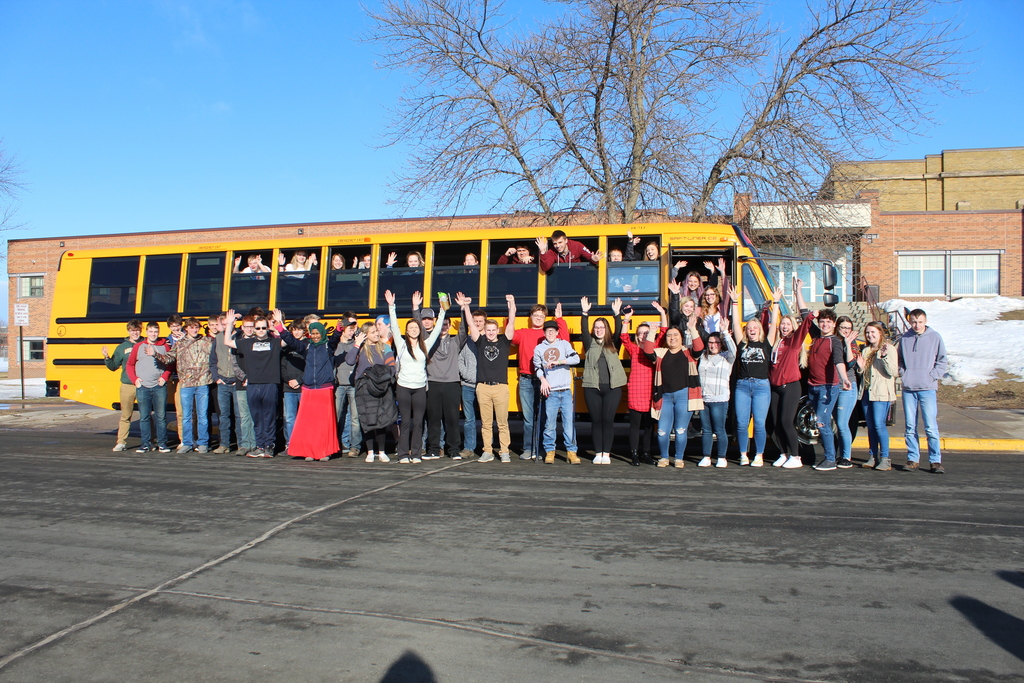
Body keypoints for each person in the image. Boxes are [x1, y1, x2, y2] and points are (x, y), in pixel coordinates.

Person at [388, 289, 447, 463]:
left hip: (420, 387)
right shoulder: (401, 343)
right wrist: (392, 306)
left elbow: (437, 328)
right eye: (410, 328)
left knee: (419, 422)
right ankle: (403, 454)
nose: (413, 329)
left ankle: (416, 454)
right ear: (406, 331)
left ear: (420, 329)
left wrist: (443, 309)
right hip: (404, 387)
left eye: (416, 327)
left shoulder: (426, 344)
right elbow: (393, 324)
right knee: (405, 422)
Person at [275, 312, 342, 462]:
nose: (316, 336)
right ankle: (310, 452)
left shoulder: (328, 346)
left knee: (324, 424)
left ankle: (325, 452)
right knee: (309, 424)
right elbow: (291, 340)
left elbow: (335, 339)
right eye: (313, 333)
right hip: (309, 389)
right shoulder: (306, 347)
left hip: (324, 389)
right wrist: (280, 327)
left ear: (323, 333)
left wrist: (338, 329)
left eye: (318, 333)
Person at [458, 293, 515, 462]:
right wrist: (466, 306)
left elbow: (511, 322)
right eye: (488, 330)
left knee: (503, 423)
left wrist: (511, 303)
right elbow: (470, 324)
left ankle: (504, 451)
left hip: (500, 387)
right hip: (482, 387)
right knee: (486, 423)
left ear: (498, 331)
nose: (490, 333)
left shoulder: (504, 341)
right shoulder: (480, 341)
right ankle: (488, 451)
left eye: (493, 330)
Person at [510, 298, 569, 460]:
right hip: (526, 379)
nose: (538, 318)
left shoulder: (548, 335)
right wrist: (511, 312)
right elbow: (509, 335)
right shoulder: (523, 333)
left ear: (545, 318)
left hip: (546, 379)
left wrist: (559, 319)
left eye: (541, 316)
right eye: (535, 315)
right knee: (528, 419)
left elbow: (565, 340)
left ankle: (541, 449)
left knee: (544, 417)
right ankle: (528, 448)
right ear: (530, 317)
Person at [644, 320, 705, 468]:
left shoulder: (688, 352)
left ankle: (679, 458)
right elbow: (647, 351)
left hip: (684, 396)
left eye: (676, 335)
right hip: (664, 397)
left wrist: (692, 329)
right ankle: (664, 457)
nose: (672, 338)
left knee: (680, 430)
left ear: (681, 337)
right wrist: (652, 332)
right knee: (662, 431)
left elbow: (699, 348)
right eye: (669, 335)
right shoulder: (661, 353)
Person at [768, 278, 815, 469]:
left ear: (793, 327)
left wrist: (809, 314)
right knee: (774, 422)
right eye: (783, 324)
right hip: (775, 386)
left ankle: (796, 456)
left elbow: (804, 327)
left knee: (786, 420)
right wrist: (774, 305)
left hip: (791, 386)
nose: (785, 326)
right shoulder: (777, 342)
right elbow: (770, 323)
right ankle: (783, 453)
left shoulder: (794, 342)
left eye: (788, 324)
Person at [223, 312, 282, 458]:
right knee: (257, 417)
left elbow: (289, 341)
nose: (261, 330)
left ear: (267, 328)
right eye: (258, 328)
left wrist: (280, 324)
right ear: (254, 330)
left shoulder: (274, 342)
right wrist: (230, 324)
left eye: (263, 328)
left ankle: (269, 446)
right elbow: (227, 342)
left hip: (270, 383)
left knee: (269, 416)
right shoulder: (247, 343)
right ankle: (260, 446)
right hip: (253, 384)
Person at [732, 286, 780, 467]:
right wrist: (735, 302)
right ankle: (744, 454)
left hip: (761, 387)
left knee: (759, 423)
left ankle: (759, 454)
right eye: (749, 328)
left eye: (755, 327)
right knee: (742, 423)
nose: (752, 329)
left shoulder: (766, 344)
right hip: (742, 386)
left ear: (759, 329)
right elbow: (736, 324)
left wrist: (776, 302)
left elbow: (773, 324)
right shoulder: (741, 344)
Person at [413, 291, 463, 461]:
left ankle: (454, 450)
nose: (443, 327)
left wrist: (463, 308)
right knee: (433, 419)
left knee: (453, 419)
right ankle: (433, 450)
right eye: (441, 324)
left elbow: (464, 329)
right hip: (433, 383)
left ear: (449, 327)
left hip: (452, 384)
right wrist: (415, 308)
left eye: (446, 325)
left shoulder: (455, 341)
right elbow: (419, 326)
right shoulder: (429, 339)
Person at [898, 308, 948, 474]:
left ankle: (935, 460)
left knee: (930, 427)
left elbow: (942, 360)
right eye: (913, 321)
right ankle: (913, 458)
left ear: (925, 321)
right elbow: (899, 361)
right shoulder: (905, 338)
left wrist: (932, 376)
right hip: (909, 389)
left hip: (927, 388)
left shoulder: (935, 337)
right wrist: (903, 374)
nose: (916, 325)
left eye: (920, 322)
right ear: (909, 321)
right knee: (910, 426)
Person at [157, 317, 215, 454]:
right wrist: (155, 354)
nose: (194, 330)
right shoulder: (180, 343)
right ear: (186, 329)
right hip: (186, 383)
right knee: (186, 415)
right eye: (191, 327)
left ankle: (203, 443)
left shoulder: (206, 341)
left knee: (202, 415)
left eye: (196, 327)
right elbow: (169, 358)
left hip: (202, 383)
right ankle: (187, 442)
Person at [580, 296, 626, 465]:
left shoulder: (614, 343)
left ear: (607, 329)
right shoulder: (589, 343)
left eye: (602, 327)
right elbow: (584, 330)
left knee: (608, 420)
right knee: (596, 420)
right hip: (592, 388)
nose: (599, 330)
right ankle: (598, 452)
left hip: (612, 388)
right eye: (596, 327)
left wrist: (616, 314)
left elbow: (620, 330)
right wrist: (585, 313)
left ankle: (606, 453)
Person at [620, 304, 668, 466]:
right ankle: (634, 454)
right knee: (634, 425)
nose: (642, 336)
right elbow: (623, 337)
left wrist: (662, 312)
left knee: (649, 426)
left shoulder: (655, 348)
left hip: (650, 390)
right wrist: (627, 319)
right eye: (640, 333)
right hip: (635, 390)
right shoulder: (633, 349)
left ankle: (646, 453)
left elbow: (663, 331)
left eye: (646, 333)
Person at [807, 308, 852, 471]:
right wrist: (797, 290)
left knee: (822, 422)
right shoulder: (816, 336)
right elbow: (806, 314)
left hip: (827, 387)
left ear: (834, 325)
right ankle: (831, 454)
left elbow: (838, 361)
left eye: (828, 322)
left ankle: (830, 459)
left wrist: (844, 378)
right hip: (813, 386)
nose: (824, 324)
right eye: (822, 322)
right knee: (821, 423)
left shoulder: (835, 341)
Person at [346, 321, 397, 463]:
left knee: (381, 419)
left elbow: (392, 367)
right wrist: (357, 343)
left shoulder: (385, 347)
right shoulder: (361, 348)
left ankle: (381, 451)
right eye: (373, 332)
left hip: (381, 387)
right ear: (366, 335)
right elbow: (349, 361)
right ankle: (370, 451)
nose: (376, 334)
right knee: (367, 418)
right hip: (364, 388)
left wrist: (381, 377)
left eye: (377, 331)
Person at [534, 320, 581, 464]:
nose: (550, 333)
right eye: (548, 331)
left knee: (568, 424)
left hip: (566, 391)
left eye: (553, 331)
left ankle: (571, 452)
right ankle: (550, 451)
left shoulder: (564, 344)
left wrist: (560, 362)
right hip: (551, 392)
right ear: (544, 333)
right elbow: (537, 368)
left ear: (557, 332)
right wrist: (543, 380)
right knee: (550, 424)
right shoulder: (539, 349)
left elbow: (576, 359)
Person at [125, 322, 172, 454]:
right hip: (143, 386)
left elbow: (170, 364)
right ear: (146, 332)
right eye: (151, 331)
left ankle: (162, 443)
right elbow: (130, 365)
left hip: (159, 386)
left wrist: (164, 377)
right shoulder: (138, 347)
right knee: (144, 416)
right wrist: (135, 380)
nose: (153, 334)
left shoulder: (164, 346)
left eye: (155, 332)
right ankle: (146, 443)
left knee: (161, 416)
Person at [858, 321, 898, 471]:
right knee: (870, 426)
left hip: (881, 393)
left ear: (880, 333)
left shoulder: (889, 349)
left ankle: (885, 458)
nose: (870, 335)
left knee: (878, 424)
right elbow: (863, 372)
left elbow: (893, 372)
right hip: (867, 392)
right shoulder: (866, 350)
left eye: (873, 332)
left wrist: (884, 356)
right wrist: (860, 369)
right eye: (868, 332)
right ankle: (873, 456)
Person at [697, 329, 736, 468]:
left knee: (719, 430)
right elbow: (690, 347)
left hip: (719, 398)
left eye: (717, 343)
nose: (713, 345)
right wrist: (690, 330)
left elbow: (734, 349)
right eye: (711, 342)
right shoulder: (703, 356)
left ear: (721, 344)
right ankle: (706, 456)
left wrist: (725, 333)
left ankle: (721, 457)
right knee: (706, 430)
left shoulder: (727, 357)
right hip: (704, 398)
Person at [102, 319, 142, 452]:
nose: (135, 333)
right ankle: (121, 442)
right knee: (126, 415)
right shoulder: (122, 347)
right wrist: (107, 358)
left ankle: (150, 441)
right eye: (132, 330)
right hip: (128, 384)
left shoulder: (145, 344)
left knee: (146, 414)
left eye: (137, 330)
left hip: (144, 384)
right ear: (128, 331)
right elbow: (113, 366)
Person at [210, 312, 245, 454]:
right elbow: (212, 360)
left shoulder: (241, 336)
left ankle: (241, 444)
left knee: (239, 414)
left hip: (237, 382)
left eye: (228, 323)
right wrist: (216, 377)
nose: (225, 326)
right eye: (223, 324)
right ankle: (224, 444)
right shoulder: (218, 338)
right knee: (224, 415)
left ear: (234, 323)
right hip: (223, 382)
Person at [458, 305, 488, 458]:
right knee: (469, 419)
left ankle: (487, 448)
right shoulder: (466, 341)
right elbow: (460, 360)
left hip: (484, 385)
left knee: (486, 419)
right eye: (475, 321)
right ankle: (469, 447)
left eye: (480, 321)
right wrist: (467, 375)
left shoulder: (488, 341)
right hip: (468, 385)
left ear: (485, 323)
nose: (477, 323)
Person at [833, 315, 861, 468]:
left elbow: (850, 363)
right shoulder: (833, 341)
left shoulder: (853, 344)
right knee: (837, 423)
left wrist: (848, 343)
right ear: (837, 327)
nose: (845, 330)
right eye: (843, 327)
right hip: (833, 386)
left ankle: (846, 457)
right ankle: (837, 454)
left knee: (843, 424)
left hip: (847, 387)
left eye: (848, 328)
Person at [334, 313, 362, 457]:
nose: (352, 331)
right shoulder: (336, 344)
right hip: (339, 384)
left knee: (355, 418)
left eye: (353, 329)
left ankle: (355, 446)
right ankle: (336, 443)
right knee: (337, 416)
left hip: (353, 385)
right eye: (349, 329)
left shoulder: (357, 344)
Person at [279, 320, 306, 452]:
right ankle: (290, 444)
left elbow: (309, 368)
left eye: (299, 329)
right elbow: (282, 366)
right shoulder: (286, 347)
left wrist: (299, 380)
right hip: (288, 387)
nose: (296, 332)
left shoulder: (306, 345)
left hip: (303, 387)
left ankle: (304, 443)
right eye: (294, 330)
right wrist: (289, 379)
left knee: (304, 418)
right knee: (289, 418)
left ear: (303, 331)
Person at [537, 230, 604, 272]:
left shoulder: (577, 245)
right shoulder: (552, 251)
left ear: (566, 240)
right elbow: (545, 267)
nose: (557, 246)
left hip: (578, 275)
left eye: (560, 242)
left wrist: (593, 259)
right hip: (562, 278)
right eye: (555, 243)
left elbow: (588, 255)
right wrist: (542, 252)